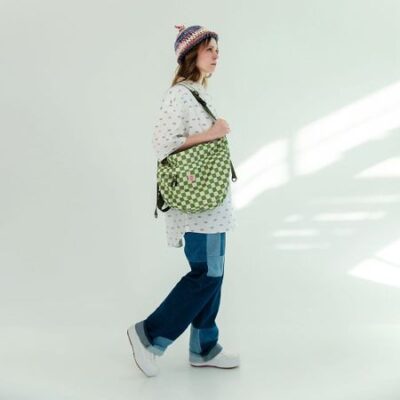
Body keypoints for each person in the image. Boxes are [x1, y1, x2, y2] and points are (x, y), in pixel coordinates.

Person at [127, 24, 239, 377]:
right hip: (198, 205)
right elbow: (163, 145)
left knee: (213, 273)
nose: (216, 55)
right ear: (191, 54)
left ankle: (204, 347)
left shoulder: (198, 93)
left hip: (211, 201)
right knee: (207, 273)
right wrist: (212, 133)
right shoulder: (179, 95)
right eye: (209, 49)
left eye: (217, 49)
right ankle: (148, 336)